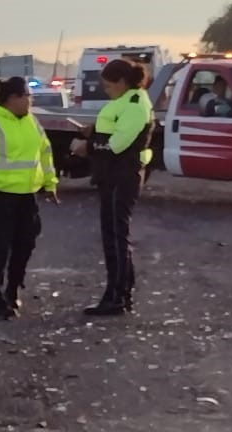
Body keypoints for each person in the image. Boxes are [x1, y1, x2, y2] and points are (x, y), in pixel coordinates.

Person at [0, 76, 59, 319]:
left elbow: (44, 153)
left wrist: (50, 183)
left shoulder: (32, 122)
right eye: (27, 96)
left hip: (26, 197)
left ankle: (13, 289)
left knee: (25, 245)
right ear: (13, 98)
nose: (30, 100)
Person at [72, 59, 155, 315]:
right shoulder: (128, 100)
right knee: (114, 235)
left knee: (115, 237)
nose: (107, 91)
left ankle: (116, 296)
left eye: (109, 86)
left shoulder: (134, 103)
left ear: (122, 82)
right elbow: (113, 129)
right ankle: (120, 292)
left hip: (121, 176)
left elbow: (118, 144)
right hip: (113, 175)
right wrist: (93, 132)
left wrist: (88, 147)